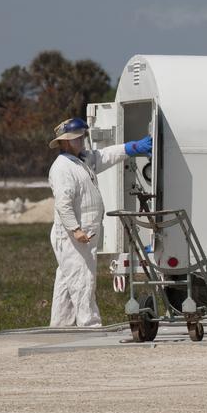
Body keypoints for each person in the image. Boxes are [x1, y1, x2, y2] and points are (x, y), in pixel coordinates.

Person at [48, 117, 152, 328]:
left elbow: (105, 155)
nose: (82, 141)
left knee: (67, 280)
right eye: (77, 138)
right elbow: (63, 203)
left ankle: (61, 325)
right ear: (65, 142)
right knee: (82, 278)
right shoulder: (62, 168)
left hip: (82, 233)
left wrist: (131, 148)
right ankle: (89, 324)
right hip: (73, 235)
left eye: (82, 137)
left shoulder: (81, 160)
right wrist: (75, 230)